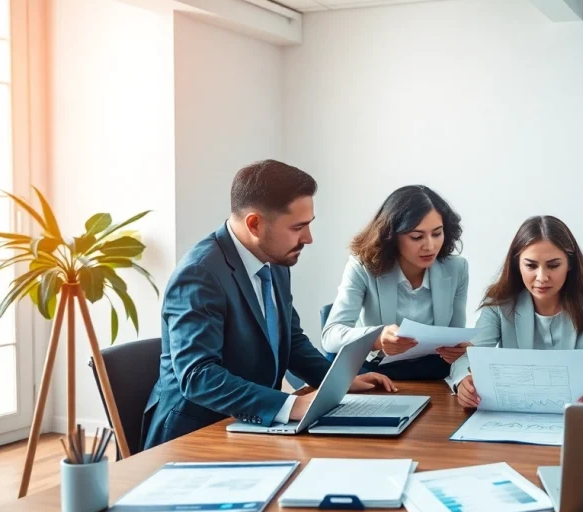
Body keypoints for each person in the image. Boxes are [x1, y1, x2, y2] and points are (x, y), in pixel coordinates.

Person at [142, 160, 395, 449]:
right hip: (194, 438)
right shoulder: (200, 274)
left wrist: (335, 383)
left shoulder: (274, 260)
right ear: (254, 224)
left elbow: (291, 341)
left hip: (247, 427)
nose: (308, 238)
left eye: (309, 225)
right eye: (298, 227)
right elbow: (198, 377)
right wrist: (290, 405)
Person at [450, 215, 583, 408]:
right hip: (517, 410)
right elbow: (467, 355)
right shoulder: (499, 303)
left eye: (553, 266)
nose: (542, 277)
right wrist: (464, 381)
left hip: (580, 413)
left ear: (570, 264)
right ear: (517, 264)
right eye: (531, 266)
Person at [322, 185, 469, 381]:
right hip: (375, 373)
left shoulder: (457, 269)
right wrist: (376, 338)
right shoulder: (363, 265)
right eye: (416, 237)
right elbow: (331, 336)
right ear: (391, 236)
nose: (430, 246)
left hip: (435, 374)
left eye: (437, 233)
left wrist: (461, 350)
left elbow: (455, 338)